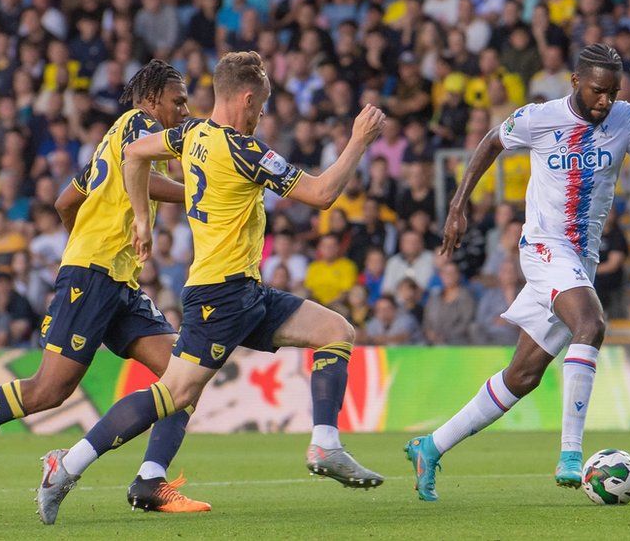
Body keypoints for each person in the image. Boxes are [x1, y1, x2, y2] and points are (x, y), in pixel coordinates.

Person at [38, 52, 387, 523]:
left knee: (335, 331)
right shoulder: (245, 151)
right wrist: (358, 141)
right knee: (174, 394)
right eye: (260, 107)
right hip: (220, 297)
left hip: (248, 291)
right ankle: (70, 463)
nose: (260, 117)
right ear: (246, 99)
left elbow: (136, 153)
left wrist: (143, 219)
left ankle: (325, 445)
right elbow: (323, 195)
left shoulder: (190, 134)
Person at [0, 60, 210, 517]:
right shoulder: (139, 124)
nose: (183, 109)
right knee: (47, 391)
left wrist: (81, 239)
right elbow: (143, 166)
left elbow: (66, 201)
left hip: (115, 278)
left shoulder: (109, 144)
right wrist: (196, 192)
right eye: (178, 101)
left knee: (186, 377)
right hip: (94, 274)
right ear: (152, 98)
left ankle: (150, 481)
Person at [406, 44, 630, 502]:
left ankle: (430, 447)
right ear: (575, 82)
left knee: (523, 375)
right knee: (591, 324)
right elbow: (491, 142)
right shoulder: (539, 117)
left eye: (613, 93)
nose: (606, 102)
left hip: (582, 258)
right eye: (598, 92)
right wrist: (458, 208)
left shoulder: (628, 118)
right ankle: (571, 454)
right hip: (542, 248)